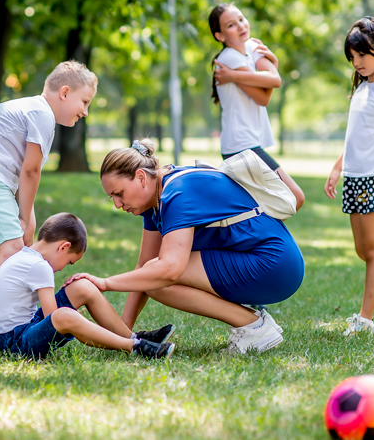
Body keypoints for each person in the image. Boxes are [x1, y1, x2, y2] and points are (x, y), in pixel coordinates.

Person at [66, 139, 305, 355]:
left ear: (140, 177)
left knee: (159, 276)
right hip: (258, 260)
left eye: (119, 194)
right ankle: (253, 324)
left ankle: (254, 326)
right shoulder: (155, 198)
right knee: (151, 275)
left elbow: (170, 269)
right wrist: (122, 335)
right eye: (112, 197)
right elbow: (143, 267)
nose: (118, 204)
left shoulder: (177, 193)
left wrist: (106, 284)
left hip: (274, 264)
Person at [0, 60, 97, 284]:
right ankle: (1, 316)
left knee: (20, 245)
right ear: (65, 93)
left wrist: (30, 221)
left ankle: (15, 307)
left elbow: (24, 174)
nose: (85, 112)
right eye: (84, 102)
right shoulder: (42, 115)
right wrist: (24, 217)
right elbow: (30, 171)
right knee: (11, 248)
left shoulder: (36, 110)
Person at [0, 212, 176, 360]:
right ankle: (135, 347)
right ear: (63, 247)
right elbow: (52, 317)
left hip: (22, 330)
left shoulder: (26, 255)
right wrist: (73, 318)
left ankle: (133, 337)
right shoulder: (40, 266)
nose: (63, 268)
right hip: (14, 344)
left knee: (82, 287)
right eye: (69, 262)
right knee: (64, 316)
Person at [325, 16, 374, 336]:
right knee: (365, 249)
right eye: (353, 57)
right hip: (356, 178)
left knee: (373, 250)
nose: (357, 62)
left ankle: (365, 321)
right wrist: (337, 168)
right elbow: (355, 136)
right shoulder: (360, 90)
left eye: (363, 55)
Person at [208, 3, 305, 210]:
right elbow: (264, 96)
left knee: (262, 203)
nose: (241, 26)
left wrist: (274, 65)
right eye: (231, 25)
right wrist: (268, 75)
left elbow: (274, 79)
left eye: (242, 19)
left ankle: (253, 238)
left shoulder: (251, 47)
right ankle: (258, 237)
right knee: (294, 197)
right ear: (220, 36)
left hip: (247, 144)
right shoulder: (229, 58)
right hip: (240, 146)